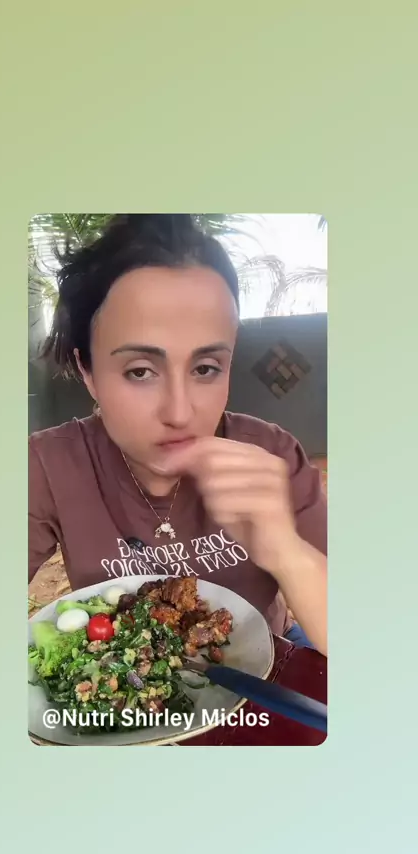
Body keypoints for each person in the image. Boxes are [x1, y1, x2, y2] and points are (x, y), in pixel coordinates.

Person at [29, 214, 327, 656]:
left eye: (206, 368)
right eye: (140, 371)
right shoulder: (49, 465)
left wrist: (286, 551)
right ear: (87, 370)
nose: (180, 413)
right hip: (127, 676)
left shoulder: (272, 454)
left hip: (271, 663)